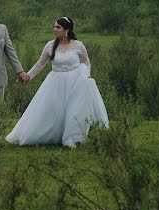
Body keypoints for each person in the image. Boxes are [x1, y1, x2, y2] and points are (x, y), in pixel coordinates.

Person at [6, 16, 108, 147]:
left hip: (75, 82)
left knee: (74, 109)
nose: (55, 29)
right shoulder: (50, 45)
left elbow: (86, 61)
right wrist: (28, 76)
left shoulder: (78, 45)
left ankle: (73, 137)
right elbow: (40, 64)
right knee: (52, 110)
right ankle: (51, 135)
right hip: (56, 82)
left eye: (58, 27)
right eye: (54, 27)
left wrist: (86, 75)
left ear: (67, 30)